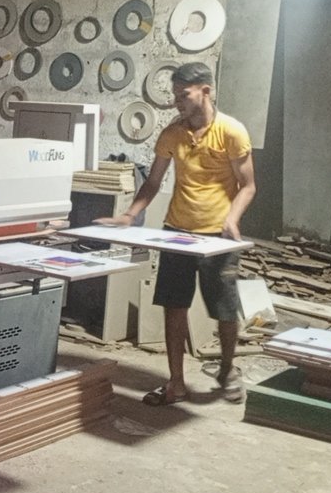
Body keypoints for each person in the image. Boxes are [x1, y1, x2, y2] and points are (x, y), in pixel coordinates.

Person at [97, 62, 256, 404]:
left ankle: (227, 369)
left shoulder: (231, 131)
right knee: (174, 306)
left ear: (205, 91)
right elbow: (153, 182)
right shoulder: (172, 134)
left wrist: (232, 219)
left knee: (225, 309)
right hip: (177, 232)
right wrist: (129, 215)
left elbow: (248, 185)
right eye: (175, 95)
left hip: (218, 237)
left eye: (183, 95)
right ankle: (176, 383)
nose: (176, 102)